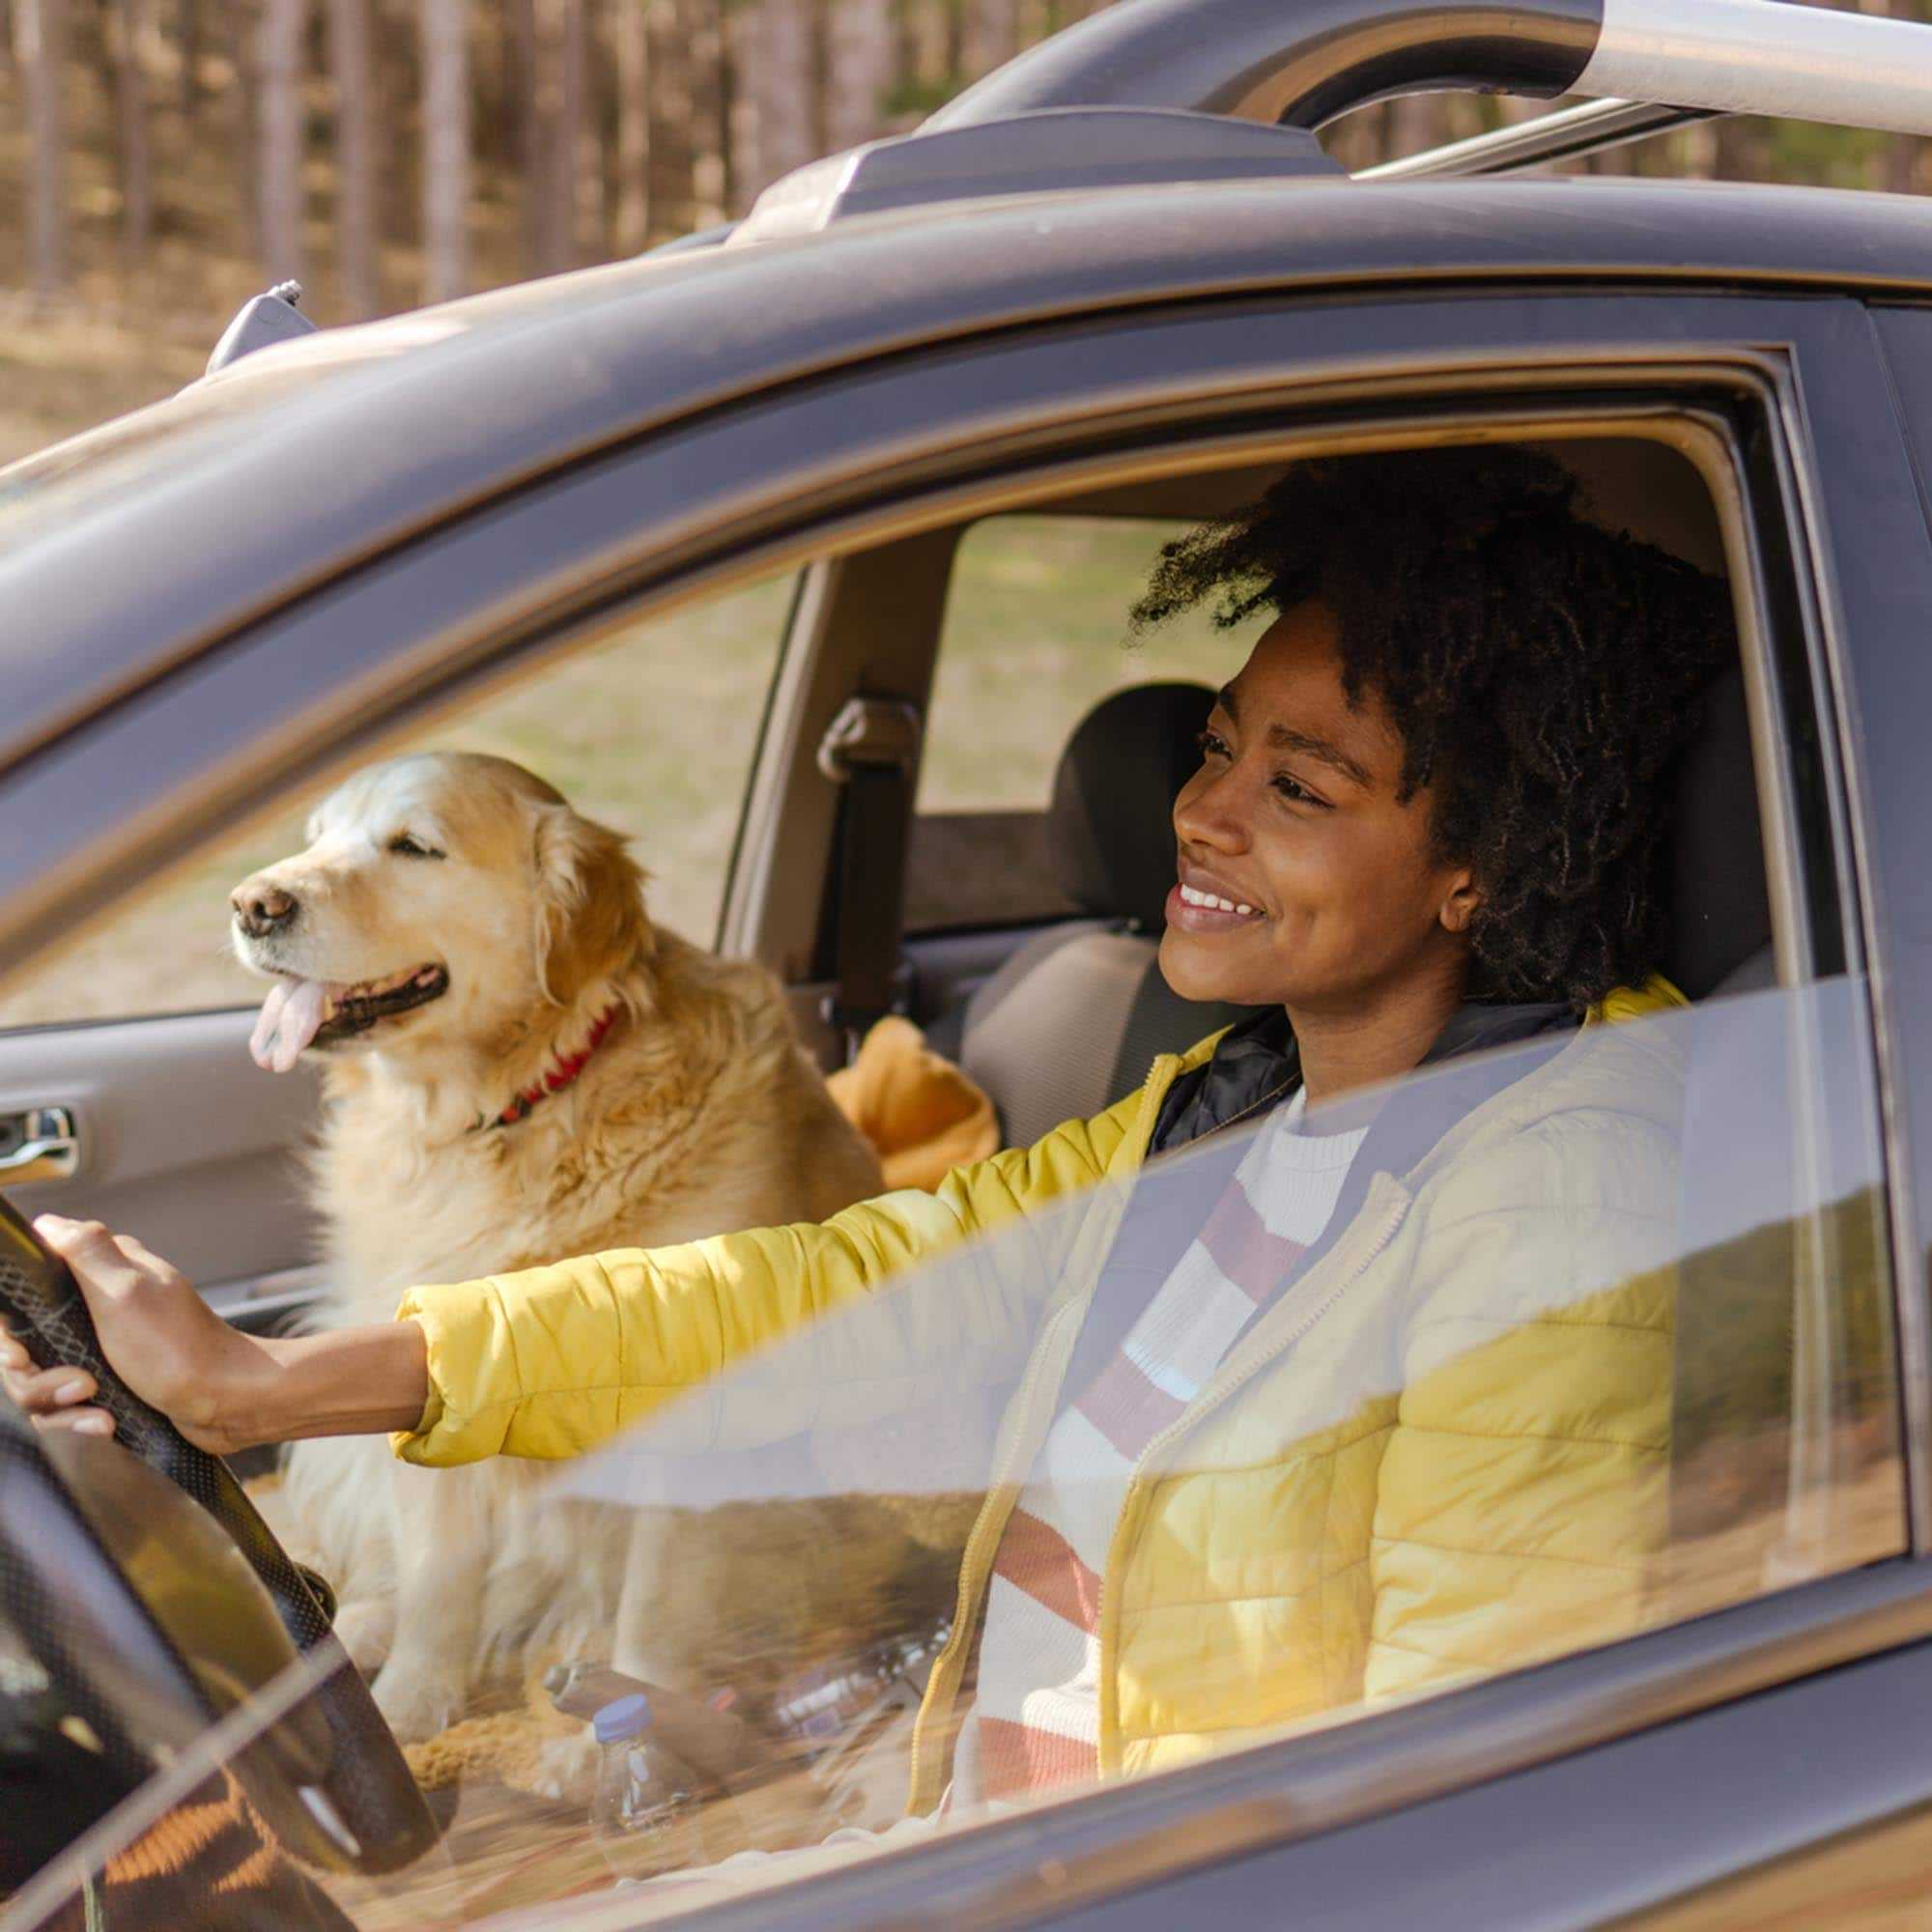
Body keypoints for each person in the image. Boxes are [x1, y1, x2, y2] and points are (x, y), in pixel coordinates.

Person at [4, 445, 1733, 1813]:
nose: (1198, 810)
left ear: (1486, 867)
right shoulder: (1222, 1112)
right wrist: (270, 1384)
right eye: (1217, 746)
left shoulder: (1557, 1196)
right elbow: (817, 1292)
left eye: (1300, 785)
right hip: (962, 1797)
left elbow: (1469, 1790)